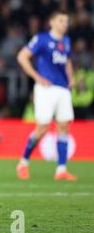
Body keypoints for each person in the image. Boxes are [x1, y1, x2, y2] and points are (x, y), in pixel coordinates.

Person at [16, 11, 76, 181]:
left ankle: (61, 169)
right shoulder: (41, 39)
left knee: (64, 126)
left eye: (66, 21)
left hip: (63, 89)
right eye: (61, 20)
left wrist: (70, 78)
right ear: (52, 22)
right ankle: (23, 162)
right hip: (46, 89)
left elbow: (68, 61)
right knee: (42, 127)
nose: (65, 24)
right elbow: (22, 56)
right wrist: (37, 77)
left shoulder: (66, 41)